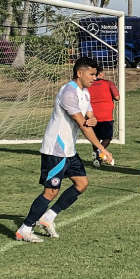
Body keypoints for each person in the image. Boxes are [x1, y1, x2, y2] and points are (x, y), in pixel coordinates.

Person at [15, 57, 113, 242]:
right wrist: (102, 149)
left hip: (69, 150)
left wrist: (93, 120)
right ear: (79, 73)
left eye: (95, 74)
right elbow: (83, 125)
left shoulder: (85, 92)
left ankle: (48, 217)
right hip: (55, 150)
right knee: (51, 191)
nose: (95, 78)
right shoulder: (69, 92)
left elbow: (90, 118)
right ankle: (25, 228)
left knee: (81, 184)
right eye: (91, 74)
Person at [88, 66, 119, 167]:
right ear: (100, 74)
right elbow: (117, 97)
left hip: (92, 115)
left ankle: (98, 160)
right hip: (106, 116)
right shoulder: (108, 83)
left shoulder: (89, 85)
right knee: (107, 138)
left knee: (95, 138)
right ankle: (98, 152)